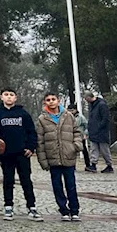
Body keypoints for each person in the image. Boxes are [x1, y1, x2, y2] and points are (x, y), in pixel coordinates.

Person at [0, 87, 42, 221]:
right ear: (1, 97)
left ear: (16, 97)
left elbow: (31, 132)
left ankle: (31, 206)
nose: (8, 97)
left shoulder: (23, 114)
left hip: (22, 153)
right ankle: (8, 206)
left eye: (11, 95)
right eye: (6, 95)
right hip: (6, 155)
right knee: (8, 180)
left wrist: (31, 147)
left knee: (26, 180)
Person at [36, 92, 83, 221]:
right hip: (53, 158)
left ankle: (74, 210)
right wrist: (43, 161)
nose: (51, 101)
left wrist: (76, 146)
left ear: (58, 100)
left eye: (53, 99)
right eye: (48, 100)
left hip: (68, 156)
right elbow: (40, 141)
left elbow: (77, 132)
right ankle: (63, 210)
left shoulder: (68, 116)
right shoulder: (42, 119)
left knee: (71, 185)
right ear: (45, 102)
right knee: (57, 186)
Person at [85, 90, 114, 173]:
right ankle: (93, 164)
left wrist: (100, 127)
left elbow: (105, 118)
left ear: (89, 97)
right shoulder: (92, 105)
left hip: (101, 131)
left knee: (104, 149)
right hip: (94, 130)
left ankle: (109, 165)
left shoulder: (102, 105)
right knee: (94, 149)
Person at [67, 102, 92, 171]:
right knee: (71, 151)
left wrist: (85, 134)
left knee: (84, 150)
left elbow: (86, 126)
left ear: (75, 110)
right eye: (69, 110)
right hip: (70, 136)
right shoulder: (66, 117)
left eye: (72, 110)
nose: (71, 112)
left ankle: (88, 165)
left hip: (80, 136)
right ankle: (72, 166)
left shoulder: (80, 117)